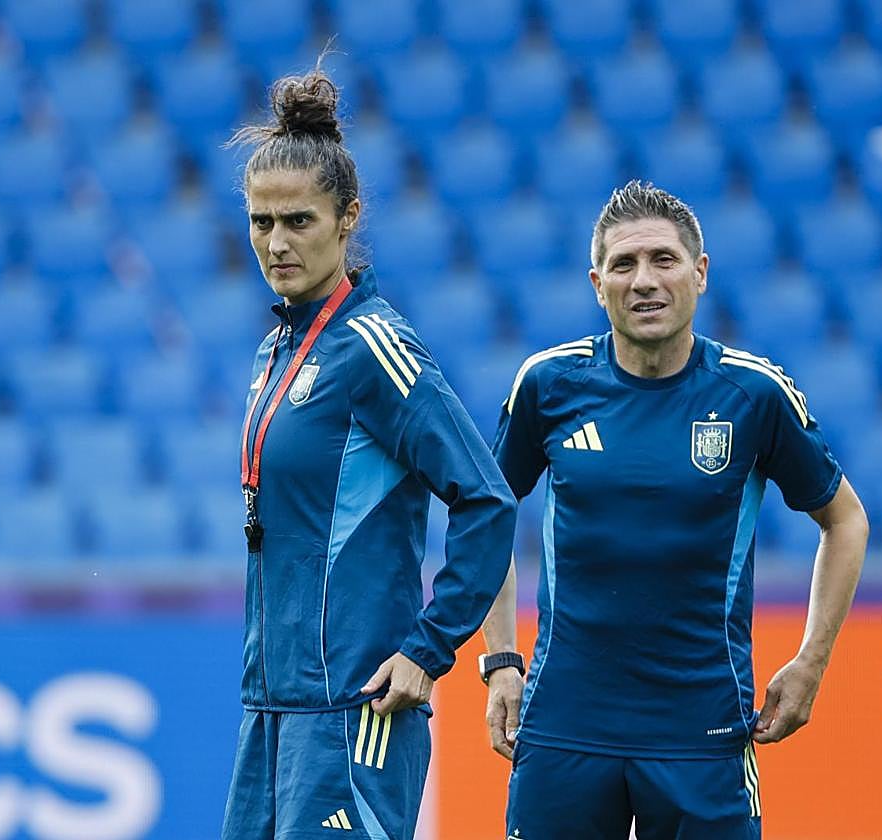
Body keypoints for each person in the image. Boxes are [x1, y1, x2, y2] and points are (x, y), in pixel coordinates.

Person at [480, 181, 869, 839]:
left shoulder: (752, 393)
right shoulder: (549, 384)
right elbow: (486, 515)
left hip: (705, 732)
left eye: (663, 259)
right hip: (563, 729)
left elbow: (846, 519)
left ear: (701, 273)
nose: (644, 280)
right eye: (625, 265)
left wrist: (812, 660)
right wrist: (499, 662)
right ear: (597, 282)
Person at [219, 69, 517, 840]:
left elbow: (488, 501)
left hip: (354, 713)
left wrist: (430, 648)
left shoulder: (377, 348)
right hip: (271, 713)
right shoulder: (275, 349)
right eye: (260, 223)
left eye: (298, 221)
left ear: (347, 219)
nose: (276, 243)